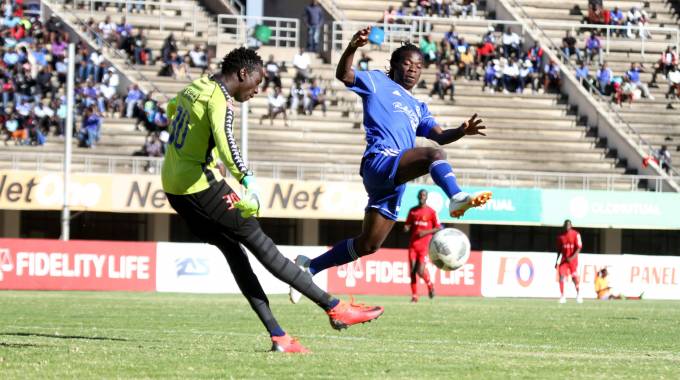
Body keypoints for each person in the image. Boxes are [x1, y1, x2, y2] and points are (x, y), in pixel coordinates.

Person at [161, 47, 383, 353]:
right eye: (256, 82)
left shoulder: (195, 87)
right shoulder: (219, 100)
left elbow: (172, 107)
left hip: (175, 190)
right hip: (199, 185)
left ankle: (279, 336)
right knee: (263, 247)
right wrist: (247, 180)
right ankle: (334, 307)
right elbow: (227, 144)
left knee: (236, 255)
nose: (256, 90)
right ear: (243, 74)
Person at [289, 27, 491, 303]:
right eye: (407, 63)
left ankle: (309, 266)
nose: (413, 69)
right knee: (434, 156)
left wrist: (461, 130)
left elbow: (440, 135)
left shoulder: (418, 107)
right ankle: (456, 197)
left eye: (418, 65)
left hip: (394, 182)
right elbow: (344, 75)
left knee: (368, 245)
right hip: (380, 160)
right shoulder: (375, 82)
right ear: (395, 65)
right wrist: (351, 47)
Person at [404, 189, 441, 303]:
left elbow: (438, 227)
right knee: (412, 271)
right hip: (413, 245)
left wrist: (425, 232)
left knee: (420, 271)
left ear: (427, 197)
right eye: (420, 195)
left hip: (424, 246)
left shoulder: (431, 212)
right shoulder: (413, 211)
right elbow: (407, 224)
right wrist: (406, 228)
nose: (422, 197)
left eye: (424, 195)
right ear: (418, 196)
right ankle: (415, 296)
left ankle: (430, 286)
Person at [555, 219, 582, 304]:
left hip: (573, 260)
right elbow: (559, 250)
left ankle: (578, 294)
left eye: (569, 225)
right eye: (566, 225)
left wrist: (572, 257)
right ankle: (562, 296)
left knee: (574, 278)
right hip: (564, 260)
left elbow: (579, 247)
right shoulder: (560, 237)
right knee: (561, 277)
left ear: (571, 225)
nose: (567, 226)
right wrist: (556, 261)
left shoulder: (576, 234)